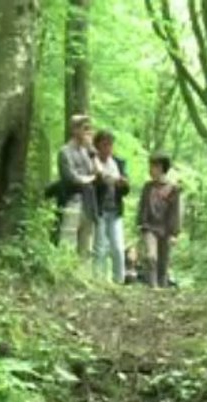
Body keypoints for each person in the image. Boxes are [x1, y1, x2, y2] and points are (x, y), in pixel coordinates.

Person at [137, 152, 181, 288]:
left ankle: (162, 290)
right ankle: (153, 287)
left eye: (153, 166)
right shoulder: (147, 187)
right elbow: (142, 206)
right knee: (151, 257)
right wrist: (140, 223)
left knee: (163, 263)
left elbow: (176, 212)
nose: (150, 170)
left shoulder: (172, 188)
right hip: (149, 227)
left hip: (166, 229)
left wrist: (174, 233)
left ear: (161, 168)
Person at [57, 114, 98, 260]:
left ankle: (83, 276)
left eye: (89, 129)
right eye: (84, 128)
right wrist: (87, 179)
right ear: (75, 130)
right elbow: (70, 177)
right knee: (68, 239)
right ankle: (63, 273)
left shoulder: (86, 152)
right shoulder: (65, 151)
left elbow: (96, 173)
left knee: (86, 243)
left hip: (88, 202)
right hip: (72, 200)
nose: (88, 132)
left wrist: (92, 152)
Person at [92, 130, 129, 284]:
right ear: (98, 146)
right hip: (99, 210)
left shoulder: (118, 163)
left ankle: (119, 280)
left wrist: (123, 184)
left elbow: (126, 190)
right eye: (104, 144)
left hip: (115, 210)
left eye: (110, 144)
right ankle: (98, 279)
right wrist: (101, 178)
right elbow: (92, 187)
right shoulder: (93, 162)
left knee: (118, 247)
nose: (108, 148)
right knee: (100, 248)